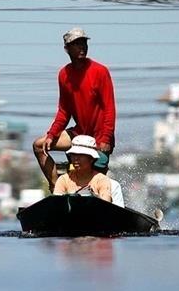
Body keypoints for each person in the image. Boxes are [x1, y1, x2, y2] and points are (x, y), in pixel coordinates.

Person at [33, 27, 116, 190]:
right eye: (77, 44)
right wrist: (51, 134)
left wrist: (106, 138)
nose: (82, 47)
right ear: (67, 49)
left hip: (99, 137)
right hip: (78, 135)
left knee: (92, 186)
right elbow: (64, 111)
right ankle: (56, 188)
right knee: (39, 145)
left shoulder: (100, 71)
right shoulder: (64, 74)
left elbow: (109, 108)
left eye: (84, 43)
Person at [53, 135, 112, 203]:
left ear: (91, 159)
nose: (76, 158)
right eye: (73, 154)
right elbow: (56, 203)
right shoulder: (64, 180)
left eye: (80, 155)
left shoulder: (101, 180)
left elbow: (106, 205)